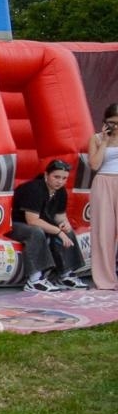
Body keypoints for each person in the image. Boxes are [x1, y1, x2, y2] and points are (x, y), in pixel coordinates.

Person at [10, 159, 85, 290]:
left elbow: (59, 216)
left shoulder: (60, 191)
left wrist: (64, 225)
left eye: (64, 178)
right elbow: (32, 220)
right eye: (56, 177)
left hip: (38, 223)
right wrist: (58, 231)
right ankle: (35, 279)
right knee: (36, 231)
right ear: (46, 175)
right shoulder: (34, 189)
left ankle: (66, 275)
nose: (60, 181)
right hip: (15, 225)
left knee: (67, 231)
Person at [88, 103, 118, 290]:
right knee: (103, 232)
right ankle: (106, 280)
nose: (115, 127)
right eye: (112, 122)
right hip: (103, 182)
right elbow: (94, 164)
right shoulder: (97, 139)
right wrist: (105, 141)